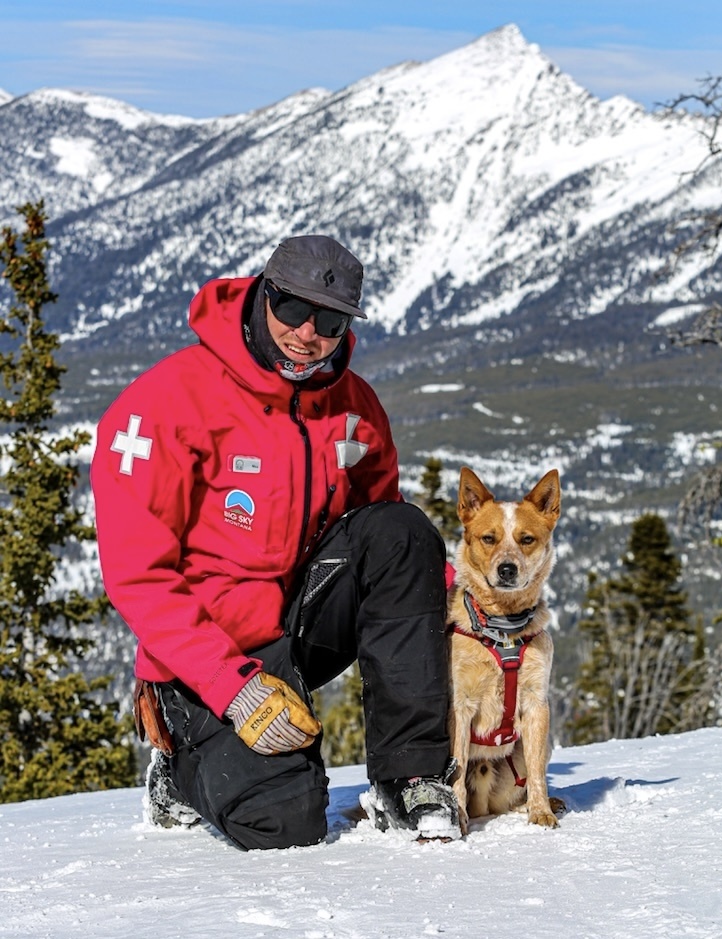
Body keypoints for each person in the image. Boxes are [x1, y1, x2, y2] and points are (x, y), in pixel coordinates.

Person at [91, 235, 459, 850]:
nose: (307, 333)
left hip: (300, 621)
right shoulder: (165, 404)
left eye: (331, 319)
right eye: (292, 309)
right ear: (263, 293)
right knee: (283, 825)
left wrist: (455, 603)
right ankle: (180, 768)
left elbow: (382, 533)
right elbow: (139, 577)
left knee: (404, 531)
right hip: (208, 648)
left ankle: (409, 775)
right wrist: (232, 686)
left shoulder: (354, 406)